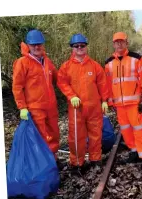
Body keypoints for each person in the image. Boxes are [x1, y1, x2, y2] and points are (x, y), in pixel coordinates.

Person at [57, 33, 108, 172]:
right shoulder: (66, 67)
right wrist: (71, 95)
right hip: (76, 108)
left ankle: (95, 159)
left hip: (94, 107)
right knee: (76, 137)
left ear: (86, 47)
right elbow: (61, 82)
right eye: (76, 46)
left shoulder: (95, 66)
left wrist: (104, 100)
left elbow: (103, 84)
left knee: (95, 134)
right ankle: (77, 163)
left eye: (82, 46)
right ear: (72, 48)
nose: (79, 48)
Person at [105, 32, 142, 172]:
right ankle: (134, 151)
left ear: (126, 43)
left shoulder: (136, 59)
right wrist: (109, 102)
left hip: (134, 104)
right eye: (116, 42)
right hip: (119, 106)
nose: (119, 44)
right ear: (113, 44)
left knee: (139, 130)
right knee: (126, 131)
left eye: (122, 41)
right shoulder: (108, 63)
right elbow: (107, 85)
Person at [12, 29, 60, 162]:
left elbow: (59, 79)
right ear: (28, 46)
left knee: (54, 134)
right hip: (35, 108)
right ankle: (43, 163)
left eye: (39, 44)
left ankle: (53, 160)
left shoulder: (47, 62)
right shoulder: (22, 63)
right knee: (40, 136)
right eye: (34, 45)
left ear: (43, 44)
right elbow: (17, 87)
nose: (37, 47)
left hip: (51, 106)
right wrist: (22, 107)